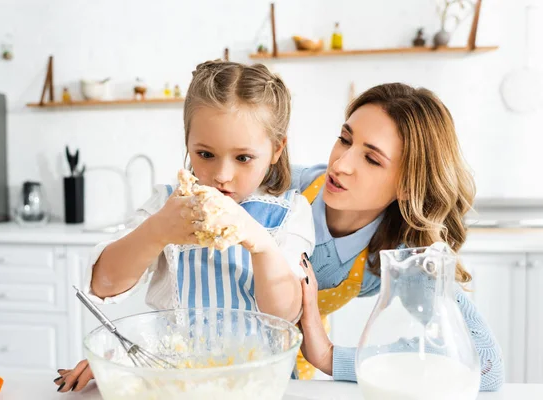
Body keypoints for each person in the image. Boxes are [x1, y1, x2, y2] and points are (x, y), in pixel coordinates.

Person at [54, 60, 315, 392]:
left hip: (258, 385)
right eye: (205, 154)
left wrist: (258, 242)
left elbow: (285, 315)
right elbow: (104, 285)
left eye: (243, 158)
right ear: (188, 142)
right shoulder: (167, 205)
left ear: (277, 149)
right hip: (177, 381)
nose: (222, 175)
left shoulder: (289, 213)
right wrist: (157, 230)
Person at [293, 82, 504, 391]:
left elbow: (486, 364)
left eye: (372, 159)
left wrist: (329, 355)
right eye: (344, 139)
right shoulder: (279, 182)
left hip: (290, 365)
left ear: (407, 185)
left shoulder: (402, 251)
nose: (340, 164)